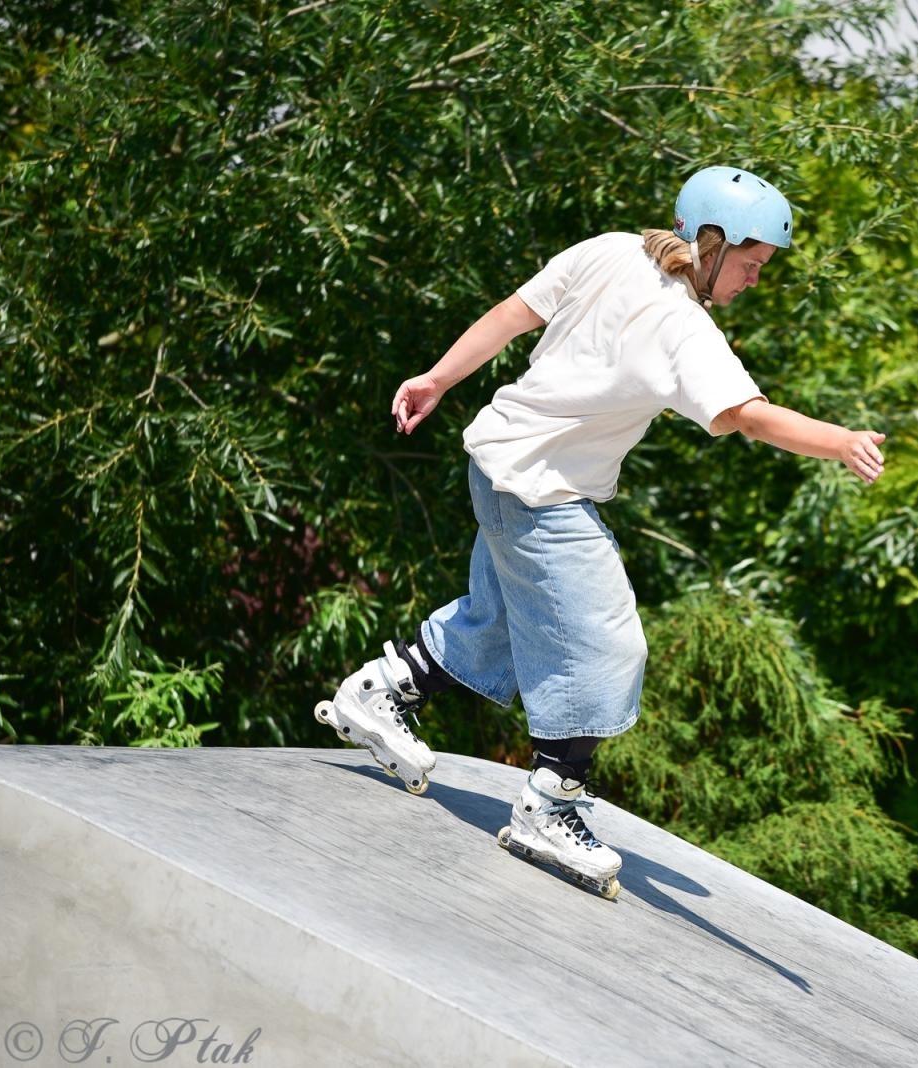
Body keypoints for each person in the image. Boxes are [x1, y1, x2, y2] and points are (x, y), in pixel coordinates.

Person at [314, 165, 888, 896]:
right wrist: (838, 440)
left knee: (499, 623)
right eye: (750, 264)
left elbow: (511, 313)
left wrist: (438, 378)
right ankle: (551, 803)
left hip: (497, 464)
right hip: (539, 492)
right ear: (709, 243)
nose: (753, 281)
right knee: (607, 640)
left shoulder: (613, 249)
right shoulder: (685, 329)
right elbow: (746, 413)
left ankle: (383, 689)